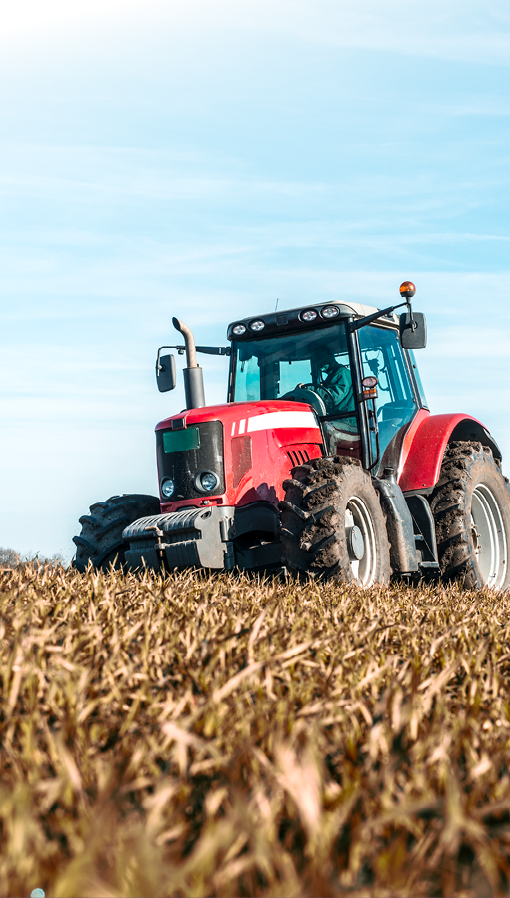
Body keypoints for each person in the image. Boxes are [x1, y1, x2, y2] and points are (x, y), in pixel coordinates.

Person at [297, 345, 353, 415]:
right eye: (315, 360)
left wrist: (308, 388)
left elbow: (332, 398)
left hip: (345, 419)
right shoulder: (332, 375)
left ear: (330, 355)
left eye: (320, 357)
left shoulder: (341, 373)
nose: (317, 362)